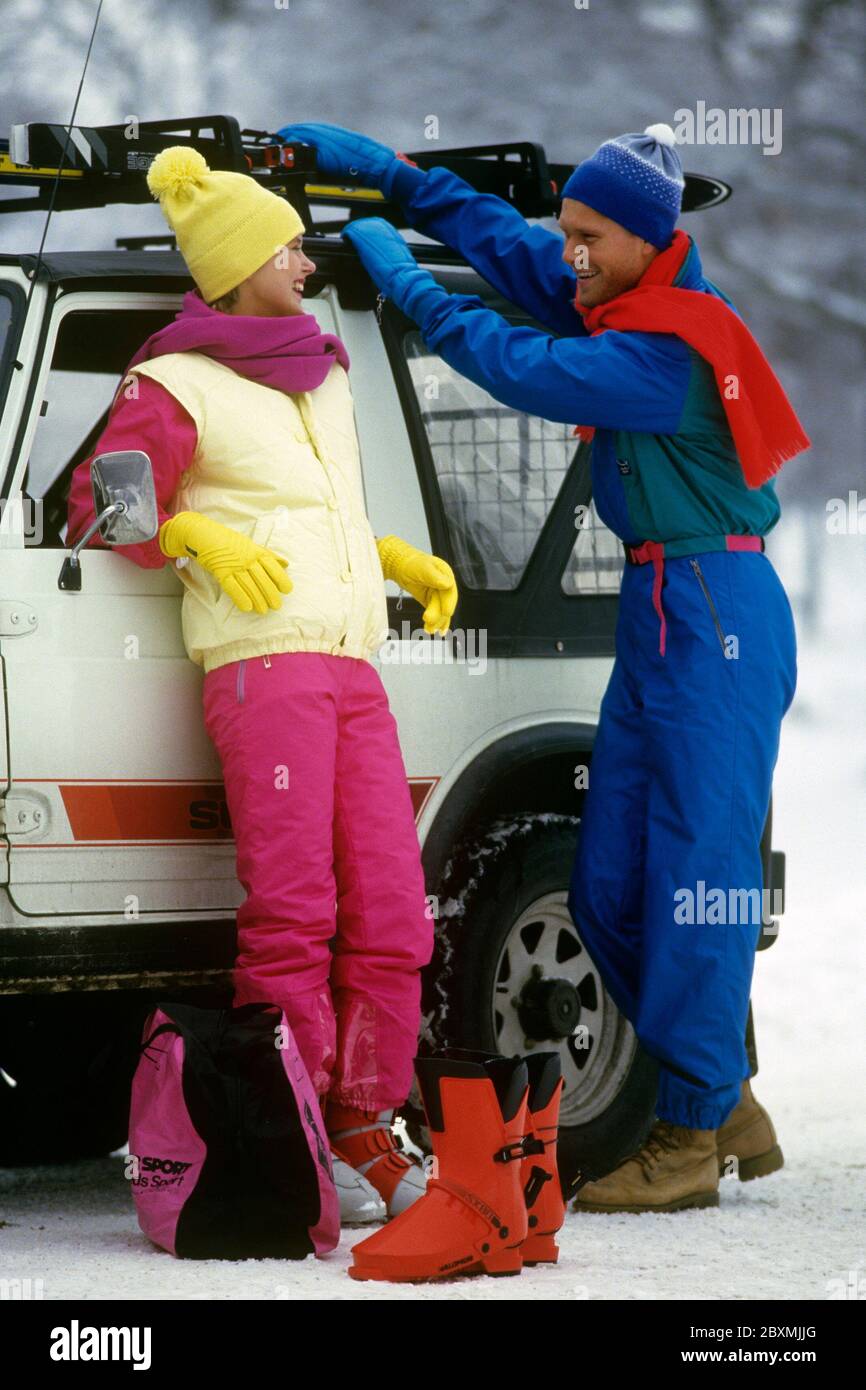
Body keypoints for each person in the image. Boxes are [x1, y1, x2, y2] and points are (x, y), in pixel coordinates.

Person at [277, 120, 807, 1212]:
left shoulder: (661, 348)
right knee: (607, 881)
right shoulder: (615, 286)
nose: (564, 252)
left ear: (645, 238)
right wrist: (400, 181)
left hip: (719, 610)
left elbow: (518, 363)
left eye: (585, 235)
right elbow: (506, 246)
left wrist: (408, 287)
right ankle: (724, 1088)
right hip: (660, 605)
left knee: (696, 884)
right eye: (566, 228)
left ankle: (689, 1137)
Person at [66, 144, 459, 1224]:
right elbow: (101, 503)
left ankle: (366, 1125)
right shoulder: (171, 378)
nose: (304, 258)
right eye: (286, 244)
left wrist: (387, 555)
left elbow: (306, 511)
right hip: (261, 668)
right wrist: (190, 531)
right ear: (236, 263)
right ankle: (286, 1124)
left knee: (390, 907)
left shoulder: (323, 370)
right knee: (293, 914)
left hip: (347, 659)